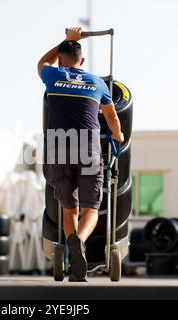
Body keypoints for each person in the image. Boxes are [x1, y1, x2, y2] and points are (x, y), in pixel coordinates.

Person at [38, 27, 124, 281]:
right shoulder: (97, 83)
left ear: (62, 60)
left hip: (59, 148)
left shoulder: (52, 75)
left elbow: (42, 61)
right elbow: (112, 116)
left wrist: (67, 40)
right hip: (88, 148)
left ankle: (70, 254)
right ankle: (79, 241)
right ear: (83, 62)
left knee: (69, 208)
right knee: (91, 209)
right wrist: (118, 136)